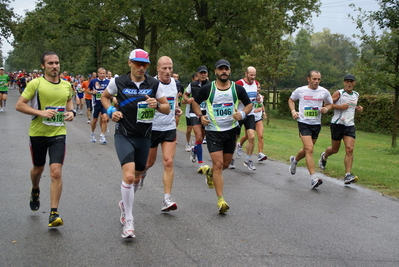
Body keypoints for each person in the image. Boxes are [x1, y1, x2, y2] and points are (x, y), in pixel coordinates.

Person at [101, 48, 169, 238]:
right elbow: (104, 97)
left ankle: (124, 203)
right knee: (129, 176)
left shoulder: (154, 84)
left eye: (144, 64)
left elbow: (166, 108)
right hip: (124, 133)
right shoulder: (118, 82)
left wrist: (157, 105)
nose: (141, 67)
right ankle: (129, 219)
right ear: (130, 62)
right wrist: (110, 111)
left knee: (138, 176)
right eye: (137, 63)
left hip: (144, 136)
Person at [15, 51, 75, 227]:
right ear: (43, 66)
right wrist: (40, 112)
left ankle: (54, 213)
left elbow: (69, 102)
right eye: (50, 63)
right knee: (38, 169)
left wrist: (71, 112)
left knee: (56, 172)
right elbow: (19, 105)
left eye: (56, 63)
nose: (54, 66)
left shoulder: (66, 85)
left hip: (58, 133)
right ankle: (35, 190)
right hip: (38, 133)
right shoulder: (36, 83)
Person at [194, 59, 252, 213]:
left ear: (230, 71)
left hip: (231, 131)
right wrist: (201, 116)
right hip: (213, 132)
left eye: (226, 69)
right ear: (216, 72)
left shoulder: (237, 89)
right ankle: (221, 200)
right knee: (219, 164)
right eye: (221, 69)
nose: (224, 71)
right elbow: (194, 103)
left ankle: (209, 172)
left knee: (225, 165)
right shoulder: (208, 88)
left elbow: (249, 104)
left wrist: (242, 113)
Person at [140, 56, 182, 212]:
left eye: (170, 68)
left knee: (168, 161)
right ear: (157, 69)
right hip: (152, 128)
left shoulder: (175, 84)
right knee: (148, 163)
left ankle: (167, 199)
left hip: (169, 128)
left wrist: (176, 109)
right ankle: (143, 173)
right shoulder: (151, 84)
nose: (168, 71)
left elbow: (173, 102)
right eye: (164, 68)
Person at [288, 70, 333, 189]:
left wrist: (326, 109)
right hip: (303, 122)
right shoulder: (301, 90)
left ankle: (294, 160)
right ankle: (313, 178)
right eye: (314, 79)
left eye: (318, 79)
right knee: (309, 149)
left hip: (316, 124)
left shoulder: (324, 91)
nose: (316, 81)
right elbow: (291, 99)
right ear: (308, 79)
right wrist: (293, 111)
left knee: (307, 149)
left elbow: (330, 104)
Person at [318, 74, 363, 184]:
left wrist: (358, 108)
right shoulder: (339, 93)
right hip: (337, 124)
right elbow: (327, 104)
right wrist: (340, 107)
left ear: (354, 83)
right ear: (344, 83)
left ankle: (348, 175)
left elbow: (352, 107)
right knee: (334, 149)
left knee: (349, 148)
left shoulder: (356, 94)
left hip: (349, 125)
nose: (349, 83)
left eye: (351, 82)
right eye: (347, 81)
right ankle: (324, 155)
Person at [183, 66, 210, 171]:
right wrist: (187, 99)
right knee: (198, 137)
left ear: (207, 74)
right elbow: (185, 94)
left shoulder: (211, 85)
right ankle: (201, 163)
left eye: (205, 73)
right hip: (194, 113)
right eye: (201, 73)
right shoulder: (192, 85)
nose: (203, 75)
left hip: (206, 113)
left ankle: (194, 149)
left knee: (202, 137)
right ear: (197, 74)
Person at [235, 66, 260, 170]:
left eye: (254, 75)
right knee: (234, 137)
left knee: (252, 136)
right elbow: (232, 96)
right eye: (251, 75)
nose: (253, 77)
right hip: (240, 113)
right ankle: (231, 158)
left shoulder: (256, 83)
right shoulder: (239, 83)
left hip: (250, 114)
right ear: (246, 74)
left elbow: (256, 95)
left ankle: (248, 159)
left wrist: (257, 98)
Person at [89, 68, 110, 144]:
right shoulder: (93, 81)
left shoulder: (108, 82)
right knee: (95, 120)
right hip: (96, 103)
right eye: (100, 73)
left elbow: (111, 92)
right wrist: (92, 92)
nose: (102, 75)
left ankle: (102, 135)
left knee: (104, 119)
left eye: (103, 73)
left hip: (104, 104)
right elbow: (87, 90)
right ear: (98, 74)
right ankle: (92, 133)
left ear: (105, 74)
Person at [182, 73, 198, 152]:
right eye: (195, 80)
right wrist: (188, 100)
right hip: (189, 111)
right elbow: (183, 100)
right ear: (192, 80)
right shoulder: (191, 86)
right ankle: (188, 143)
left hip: (198, 111)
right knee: (189, 129)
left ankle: (195, 143)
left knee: (197, 129)